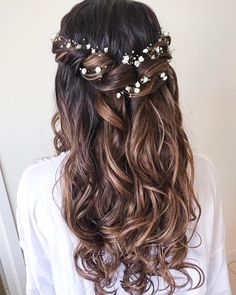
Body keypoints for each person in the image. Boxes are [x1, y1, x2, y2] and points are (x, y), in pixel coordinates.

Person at [16, 0, 232, 294]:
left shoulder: (39, 187)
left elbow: (42, 287)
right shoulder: (200, 173)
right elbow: (216, 283)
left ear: (68, 92)